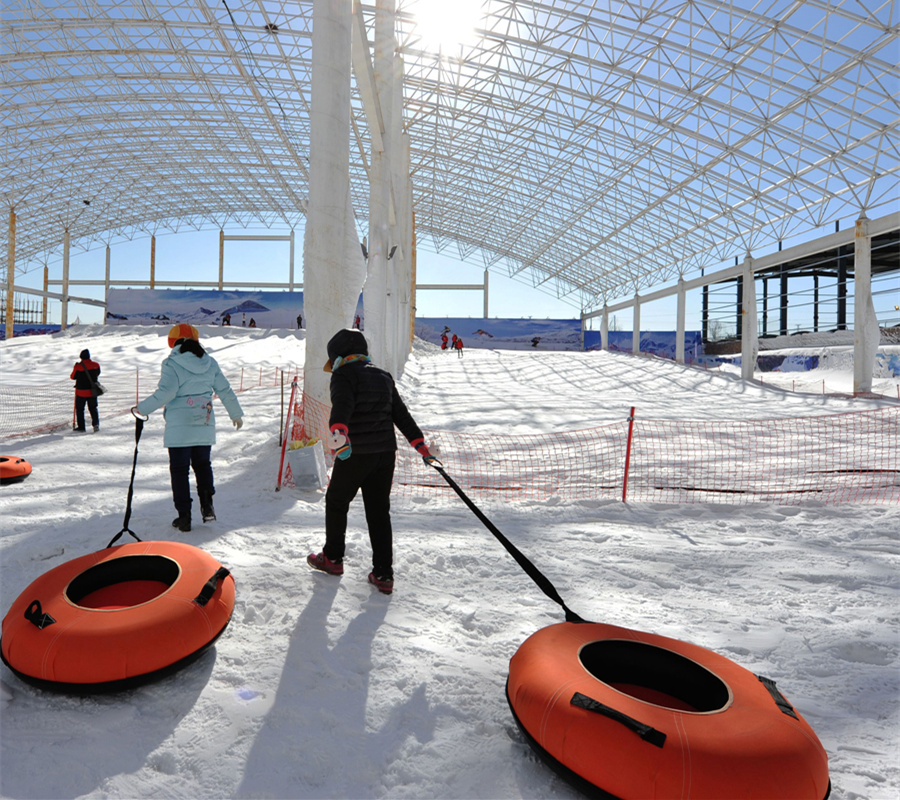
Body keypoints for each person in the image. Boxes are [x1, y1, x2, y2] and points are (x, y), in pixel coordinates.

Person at [307, 328, 436, 595]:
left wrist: (339, 432)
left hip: (354, 454)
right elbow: (402, 415)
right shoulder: (383, 376)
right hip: (384, 456)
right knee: (378, 512)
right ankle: (383, 574)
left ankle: (332, 558)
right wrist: (420, 445)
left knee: (336, 501)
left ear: (339, 356)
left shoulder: (343, 375)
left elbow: (341, 405)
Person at [134, 323, 244, 532]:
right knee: (203, 465)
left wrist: (141, 409)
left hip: (179, 426)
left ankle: (184, 517)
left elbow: (165, 393)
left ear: (173, 342)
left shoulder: (171, 363)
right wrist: (236, 414)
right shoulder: (210, 363)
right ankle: (207, 505)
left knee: (179, 470)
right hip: (204, 421)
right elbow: (225, 390)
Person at [70, 348, 101, 432]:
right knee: (93, 408)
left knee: (80, 410)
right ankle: (96, 424)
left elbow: (72, 377)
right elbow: (98, 373)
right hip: (92, 391)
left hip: (81, 392)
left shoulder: (78, 366)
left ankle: (81, 427)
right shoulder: (96, 365)